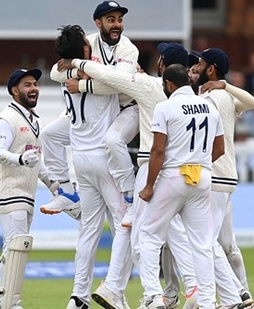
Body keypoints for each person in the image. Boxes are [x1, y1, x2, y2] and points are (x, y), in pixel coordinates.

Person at [58, 42, 200, 309]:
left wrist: (78, 66)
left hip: (154, 165)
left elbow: (111, 79)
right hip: (188, 170)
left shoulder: (149, 85)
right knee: (178, 233)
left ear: (163, 65)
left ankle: (152, 296)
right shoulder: (195, 96)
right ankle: (190, 288)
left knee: (140, 234)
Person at [51, 24, 132, 309]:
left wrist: (74, 67)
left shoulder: (65, 75)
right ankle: (113, 289)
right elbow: (118, 82)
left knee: (88, 230)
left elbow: (64, 71)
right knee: (126, 223)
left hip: (80, 159)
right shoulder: (97, 71)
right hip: (102, 158)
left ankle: (78, 296)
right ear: (85, 49)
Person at [42, 0, 139, 228]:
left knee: (113, 140)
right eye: (111, 20)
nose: (117, 25)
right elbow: (57, 73)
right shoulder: (87, 43)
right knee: (49, 134)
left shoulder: (128, 48)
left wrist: (83, 83)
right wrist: (80, 70)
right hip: (99, 109)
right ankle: (65, 191)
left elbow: (121, 84)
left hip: (127, 108)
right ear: (98, 23)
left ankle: (131, 197)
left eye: (120, 20)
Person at [137, 63, 225, 309]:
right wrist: (199, 164)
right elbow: (219, 149)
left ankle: (154, 296)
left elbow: (158, 150)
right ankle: (207, 302)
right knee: (202, 243)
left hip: (173, 176)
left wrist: (149, 186)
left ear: (168, 84)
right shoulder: (210, 106)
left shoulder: (164, 107)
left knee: (149, 235)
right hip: (201, 176)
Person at [190, 48, 254, 308]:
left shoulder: (215, 96)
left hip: (215, 175)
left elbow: (253, 103)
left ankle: (237, 296)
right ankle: (244, 297)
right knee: (227, 244)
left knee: (206, 242)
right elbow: (251, 103)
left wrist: (224, 84)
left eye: (200, 63)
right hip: (225, 176)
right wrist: (225, 86)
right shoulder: (221, 96)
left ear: (211, 68)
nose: (196, 66)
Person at [0, 68, 51, 309]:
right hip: (7, 190)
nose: (33, 88)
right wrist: (20, 160)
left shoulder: (34, 120)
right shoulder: (7, 118)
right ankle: (7, 302)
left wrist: (55, 185)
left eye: (35, 83)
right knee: (16, 245)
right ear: (15, 91)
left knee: (17, 246)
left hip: (25, 192)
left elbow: (39, 163)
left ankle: (7, 301)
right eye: (27, 84)